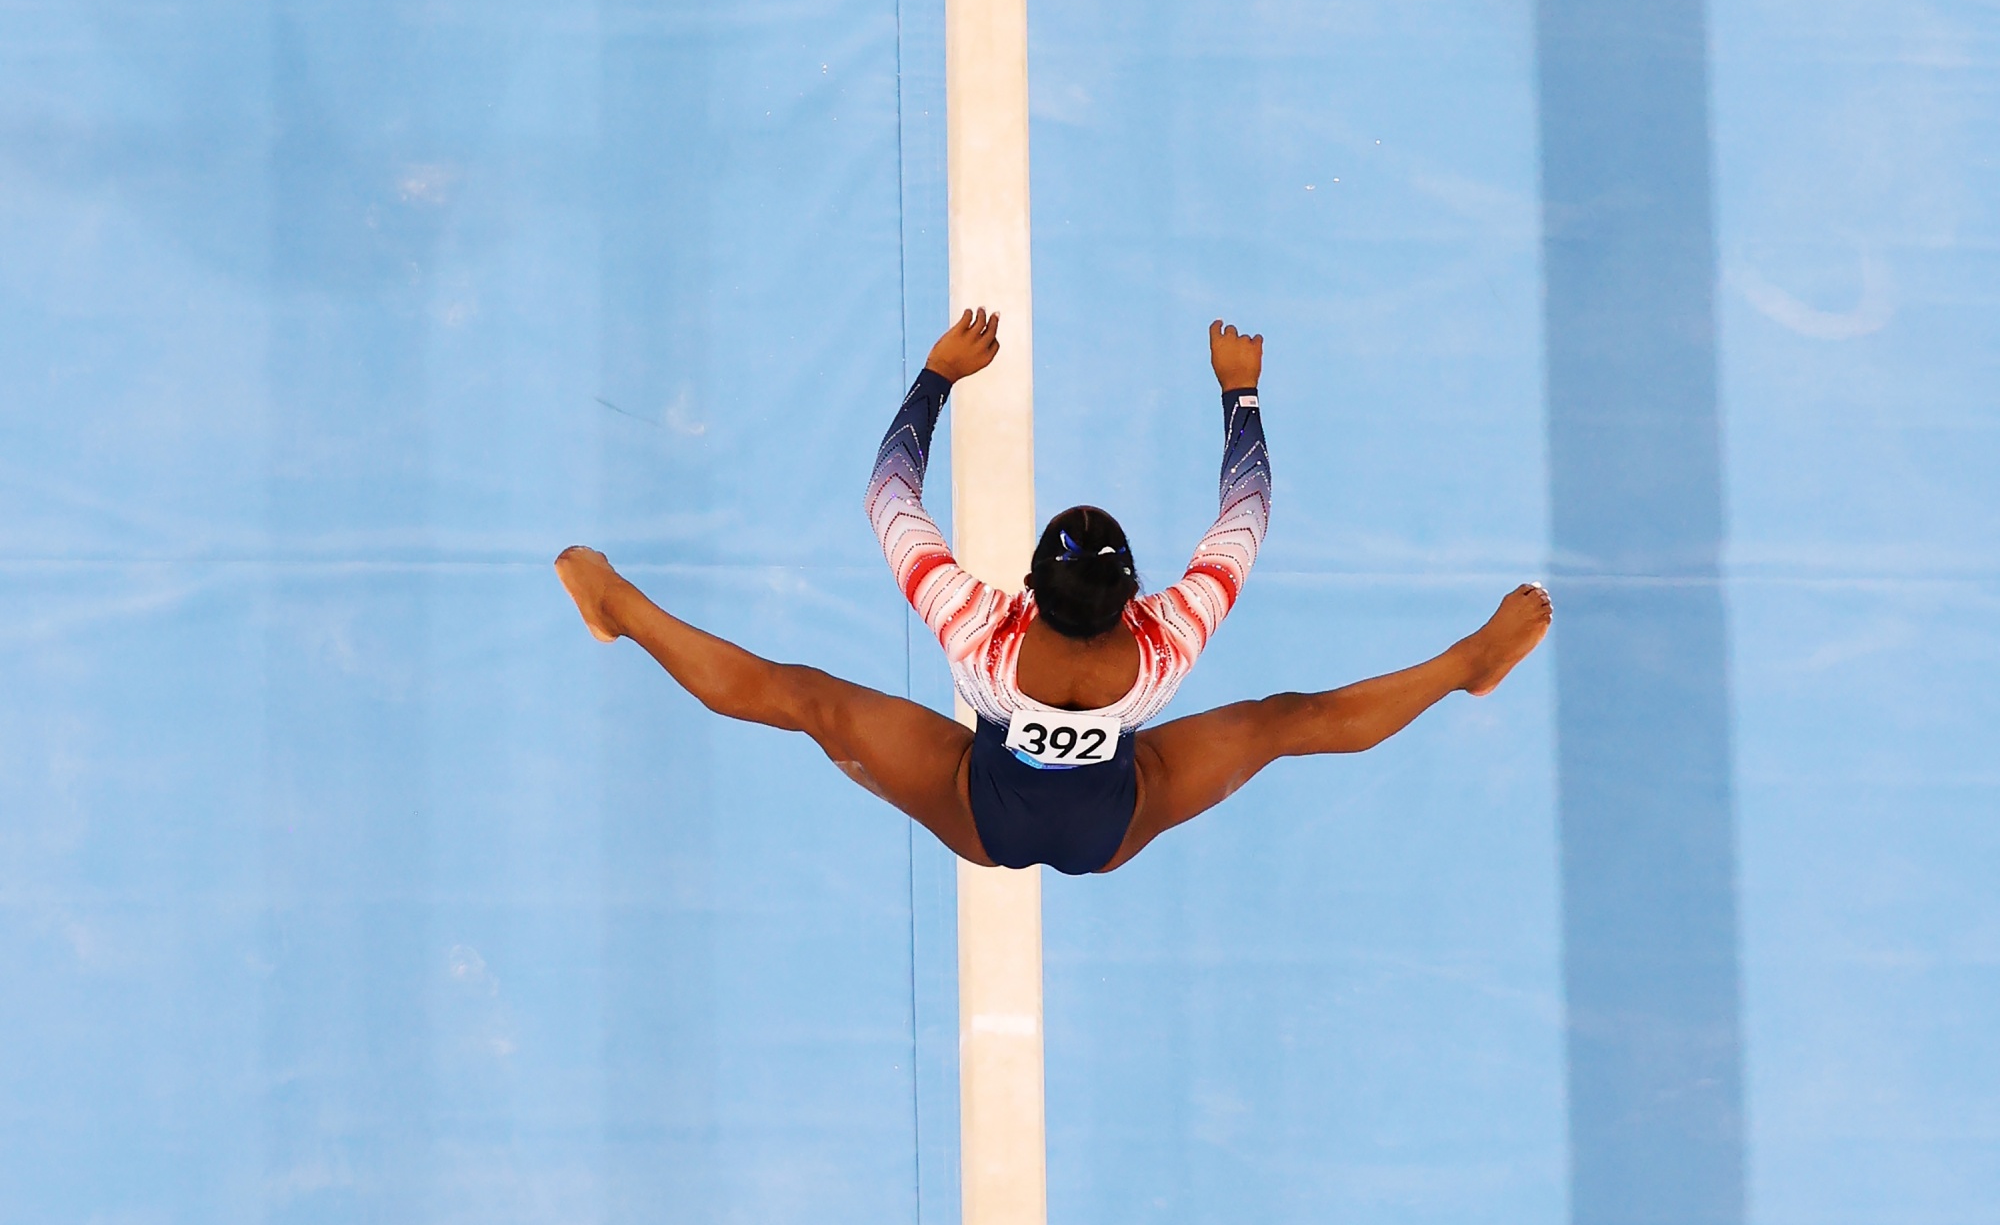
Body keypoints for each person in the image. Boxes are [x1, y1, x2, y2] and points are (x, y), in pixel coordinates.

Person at [555, 308, 1551, 875]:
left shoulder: (978, 632)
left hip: (977, 810)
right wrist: (1237, 392)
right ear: (1133, 597)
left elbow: (887, 492)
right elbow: (1246, 511)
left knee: (808, 698)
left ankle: (622, 605)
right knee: (1284, 719)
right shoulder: (1166, 644)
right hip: (1114, 819)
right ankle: (1466, 664)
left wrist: (936, 378)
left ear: (1025, 585)